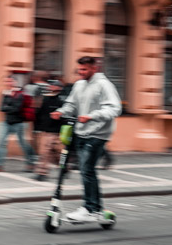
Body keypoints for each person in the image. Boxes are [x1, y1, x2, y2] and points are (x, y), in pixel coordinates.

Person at [51, 56, 121, 222]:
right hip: (81, 132)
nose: (81, 72)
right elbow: (72, 105)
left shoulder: (104, 85)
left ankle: (90, 208)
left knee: (86, 169)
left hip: (98, 134)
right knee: (87, 170)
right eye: (80, 69)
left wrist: (91, 116)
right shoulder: (79, 84)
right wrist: (62, 112)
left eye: (85, 69)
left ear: (94, 68)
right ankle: (95, 208)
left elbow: (114, 108)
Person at [0, 74, 36, 172]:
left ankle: (31, 163)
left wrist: (7, 106)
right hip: (6, 122)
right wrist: (8, 106)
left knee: (23, 144)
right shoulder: (5, 93)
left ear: (14, 82)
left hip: (19, 123)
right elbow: (1, 108)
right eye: (6, 81)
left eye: (10, 81)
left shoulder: (20, 93)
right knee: (0, 142)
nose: (8, 83)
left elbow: (16, 108)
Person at [33, 79, 66, 181]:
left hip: (58, 130)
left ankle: (44, 172)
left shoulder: (62, 100)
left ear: (59, 88)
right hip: (46, 130)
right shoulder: (45, 99)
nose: (50, 87)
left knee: (51, 152)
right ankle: (45, 172)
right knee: (48, 152)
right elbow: (39, 114)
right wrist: (37, 128)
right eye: (50, 85)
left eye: (53, 85)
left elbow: (65, 115)